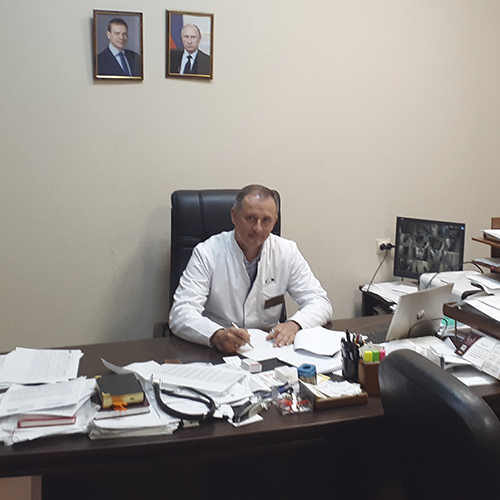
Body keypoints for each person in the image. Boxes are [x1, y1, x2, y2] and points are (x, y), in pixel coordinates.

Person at [169, 185, 333, 353]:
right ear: (234, 216)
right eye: (251, 218)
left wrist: (295, 324)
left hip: (270, 348)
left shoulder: (287, 252)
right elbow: (181, 312)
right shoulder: (207, 252)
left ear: (274, 222)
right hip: (220, 350)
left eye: (266, 220)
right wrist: (216, 334)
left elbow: (320, 302)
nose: (258, 228)